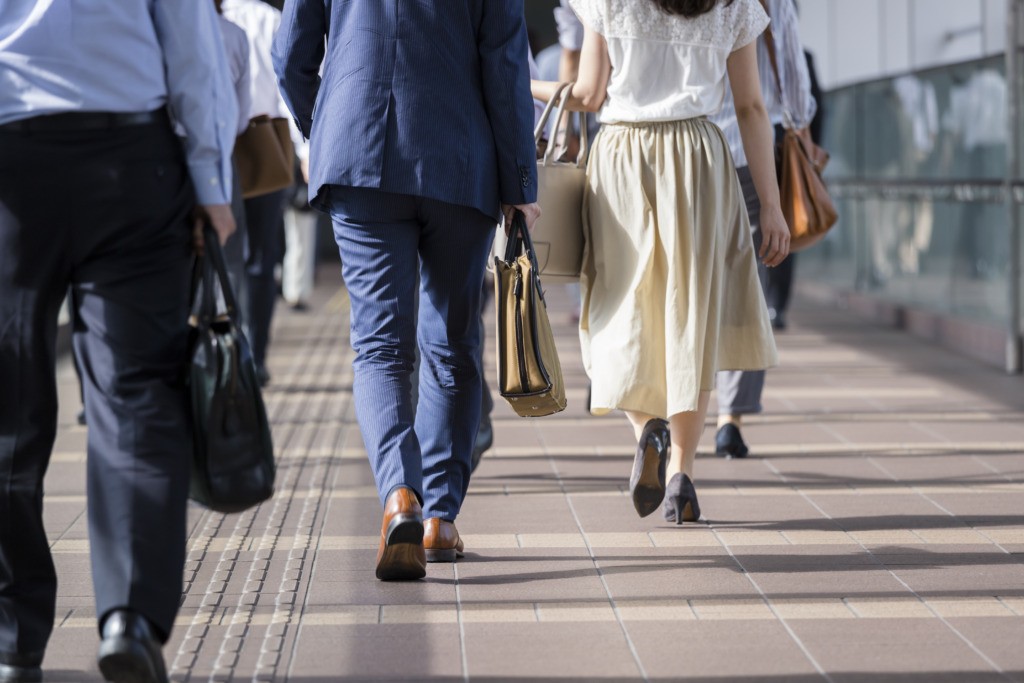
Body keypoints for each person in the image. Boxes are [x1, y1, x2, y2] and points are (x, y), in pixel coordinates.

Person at [0, 2, 237, 682]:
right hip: (133, 158)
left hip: (10, 154)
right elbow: (191, 41)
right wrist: (212, 181)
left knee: (7, 400)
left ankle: (13, 637)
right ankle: (128, 616)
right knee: (135, 391)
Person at [274, 2, 541, 580]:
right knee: (453, 343)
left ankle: (400, 496)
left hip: (359, 152)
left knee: (380, 350)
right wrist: (520, 179)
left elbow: (290, 54)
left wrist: (322, 128)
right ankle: (440, 520)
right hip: (459, 158)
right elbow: (505, 62)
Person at [532, 0, 787, 524]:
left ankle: (648, 426)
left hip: (624, 156)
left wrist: (523, 86)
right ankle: (680, 476)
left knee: (614, 308)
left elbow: (587, 94)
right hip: (699, 159)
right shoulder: (732, 5)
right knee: (689, 319)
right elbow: (751, 109)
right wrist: (774, 207)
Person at [710, 0, 816, 459]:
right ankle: (729, 417)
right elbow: (793, 80)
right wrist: (803, 136)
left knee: (689, 280)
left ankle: (675, 404)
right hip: (758, 154)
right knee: (747, 283)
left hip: (691, 146)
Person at [221, 0, 295, 387]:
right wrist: (301, 151)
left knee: (226, 257)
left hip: (222, 146)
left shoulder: (200, 17)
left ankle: (234, 354)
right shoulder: (269, 18)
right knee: (261, 260)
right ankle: (255, 355)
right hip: (263, 142)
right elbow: (289, 82)